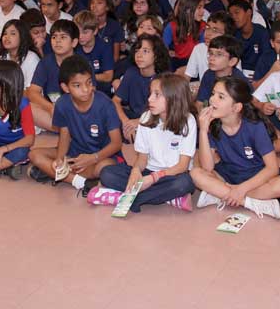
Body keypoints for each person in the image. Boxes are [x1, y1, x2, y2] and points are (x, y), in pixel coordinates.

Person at [88, 73, 197, 213]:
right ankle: (167, 198)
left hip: (172, 174)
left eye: (157, 95)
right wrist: (135, 171)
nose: (150, 99)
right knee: (107, 173)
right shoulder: (146, 118)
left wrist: (153, 178)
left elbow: (182, 166)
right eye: (151, 93)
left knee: (185, 183)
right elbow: (142, 158)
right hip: (149, 171)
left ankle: (131, 198)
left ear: (173, 98)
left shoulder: (188, 121)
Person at [191, 76, 280, 219]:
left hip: (255, 178)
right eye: (213, 94)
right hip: (229, 175)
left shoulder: (255, 126)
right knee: (196, 173)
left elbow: (272, 168)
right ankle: (249, 203)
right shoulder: (213, 125)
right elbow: (207, 168)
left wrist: (242, 189)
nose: (212, 100)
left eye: (221, 97)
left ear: (236, 107)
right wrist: (203, 131)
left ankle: (221, 195)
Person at [28, 56, 122, 193]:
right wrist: (60, 159)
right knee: (34, 154)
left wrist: (92, 158)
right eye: (77, 85)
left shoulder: (105, 105)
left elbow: (116, 144)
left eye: (89, 83)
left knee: (104, 169)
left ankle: (57, 173)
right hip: (74, 153)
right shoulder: (62, 104)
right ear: (65, 87)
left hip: (103, 155)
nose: (85, 89)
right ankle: (79, 182)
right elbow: (64, 135)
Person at [113, 35, 171, 141]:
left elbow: (166, 111)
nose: (139, 55)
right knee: (109, 115)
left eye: (145, 51)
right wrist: (125, 121)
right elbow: (115, 101)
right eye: (137, 50)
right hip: (133, 116)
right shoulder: (131, 72)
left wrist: (139, 121)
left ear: (156, 55)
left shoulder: (164, 78)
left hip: (156, 119)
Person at [26, 19, 80, 131]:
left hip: (76, 111)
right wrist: (50, 108)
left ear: (74, 42)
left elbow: (89, 93)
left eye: (63, 37)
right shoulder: (46, 62)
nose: (57, 41)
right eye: (54, 37)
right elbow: (33, 92)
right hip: (52, 110)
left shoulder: (82, 63)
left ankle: (70, 129)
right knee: (26, 107)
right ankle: (68, 130)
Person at [194, 35, 249, 110]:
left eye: (219, 54)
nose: (211, 58)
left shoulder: (239, 81)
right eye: (210, 53)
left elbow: (244, 110)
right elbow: (201, 102)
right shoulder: (208, 74)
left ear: (232, 61)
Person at [0, 19, 40, 88]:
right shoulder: (1, 56)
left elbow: (31, 91)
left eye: (13, 33)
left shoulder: (31, 59)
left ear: (22, 37)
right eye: (5, 33)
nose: (7, 37)